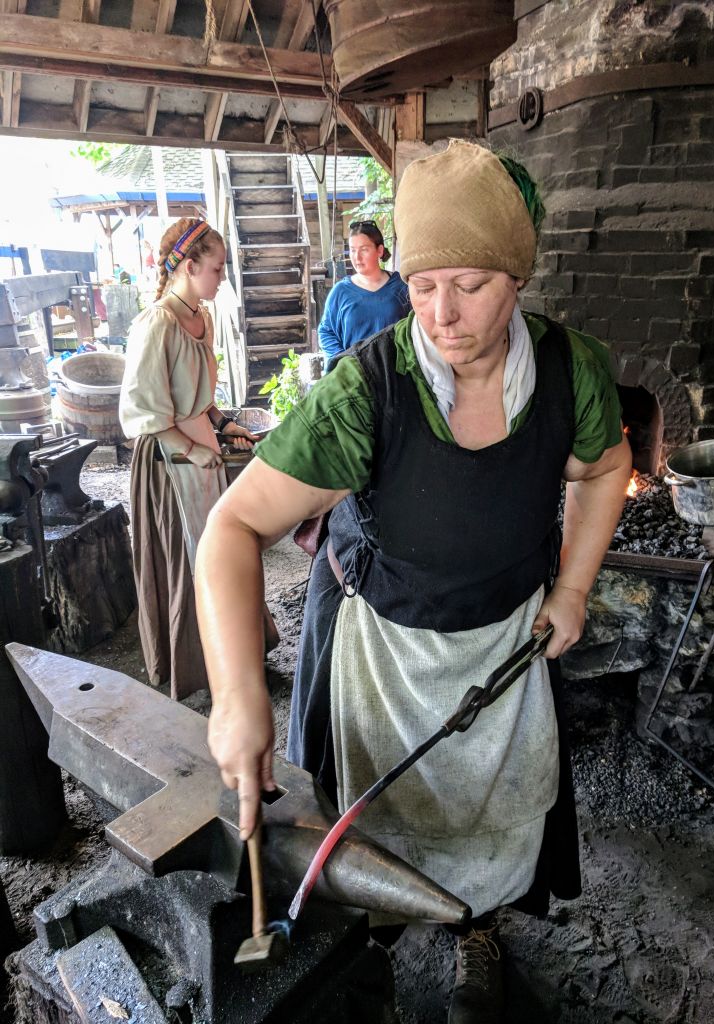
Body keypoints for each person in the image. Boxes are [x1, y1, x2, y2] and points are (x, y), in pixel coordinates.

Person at [195, 142, 631, 1022]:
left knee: (492, 806)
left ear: (518, 275)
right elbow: (233, 528)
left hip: (504, 635)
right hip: (381, 643)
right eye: (423, 283)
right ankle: (378, 930)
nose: (441, 312)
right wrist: (238, 697)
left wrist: (574, 590)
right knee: (376, 808)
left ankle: (476, 927)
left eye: (470, 285)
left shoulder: (571, 369)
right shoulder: (368, 392)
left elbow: (602, 469)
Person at [119, 217, 258, 701]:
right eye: (217, 269)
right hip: (166, 462)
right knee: (188, 560)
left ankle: (232, 654)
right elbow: (144, 413)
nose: (223, 278)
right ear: (189, 265)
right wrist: (193, 449)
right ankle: (197, 670)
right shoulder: (156, 322)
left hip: (201, 449)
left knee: (218, 551)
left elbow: (199, 394)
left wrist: (222, 425)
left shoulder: (203, 316)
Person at [317, 220, 410, 362]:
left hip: (395, 375)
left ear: (379, 250)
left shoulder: (401, 287)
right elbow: (326, 332)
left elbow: (416, 326)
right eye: (353, 250)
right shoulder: (341, 291)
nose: (357, 257)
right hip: (356, 376)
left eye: (364, 249)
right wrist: (342, 362)